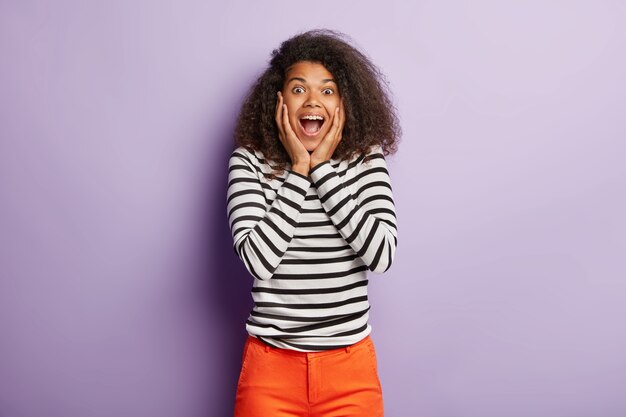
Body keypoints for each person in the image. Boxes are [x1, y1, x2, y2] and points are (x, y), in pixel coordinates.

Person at [227, 29, 400, 417]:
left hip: (349, 372)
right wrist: (298, 172)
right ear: (279, 99)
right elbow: (258, 262)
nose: (312, 101)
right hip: (270, 371)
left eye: (327, 90)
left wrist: (322, 170)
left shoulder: (365, 160)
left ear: (343, 102)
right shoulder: (249, 162)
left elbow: (382, 254)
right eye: (298, 88)